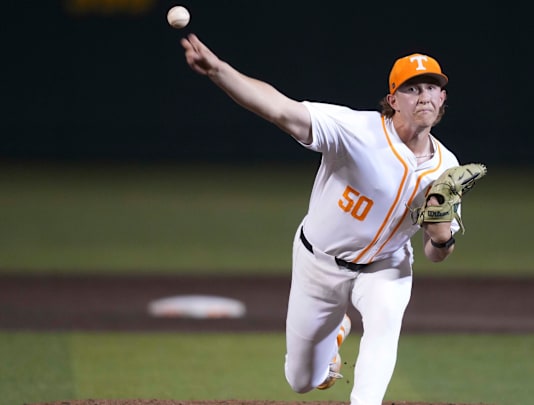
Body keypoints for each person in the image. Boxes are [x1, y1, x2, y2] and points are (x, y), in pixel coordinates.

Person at [180, 33, 483, 405]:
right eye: (412, 88)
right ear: (392, 101)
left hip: (384, 266)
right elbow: (280, 109)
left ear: (443, 99)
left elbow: (438, 252)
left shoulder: (447, 167)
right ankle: (333, 336)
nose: (424, 95)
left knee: (385, 324)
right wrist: (220, 71)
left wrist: (439, 235)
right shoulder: (356, 131)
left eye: (433, 88)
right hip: (318, 262)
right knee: (301, 379)